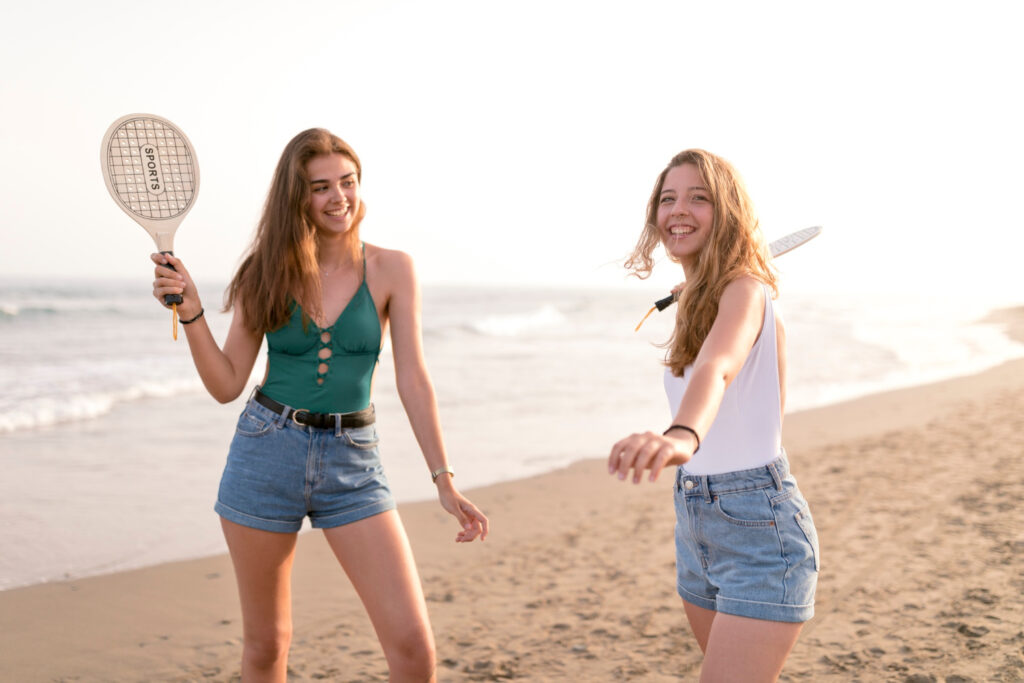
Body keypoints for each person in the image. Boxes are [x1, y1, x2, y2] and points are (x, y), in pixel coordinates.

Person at [151, 128, 489, 682]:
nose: (340, 198)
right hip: (266, 453)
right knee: (266, 647)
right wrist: (190, 313)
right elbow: (227, 382)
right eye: (321, 187)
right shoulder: (265, 270)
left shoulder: (392, 269)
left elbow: (413, 379)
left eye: (348, 182)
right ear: (297, 197)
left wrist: (443, 479)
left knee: (412, 647)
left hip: (353, 462)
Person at [607, 149, 819, 681]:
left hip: (758, 527)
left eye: (699, 198)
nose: (679, 209)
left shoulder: (745, 289)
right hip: (696, 521)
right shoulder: (703, 300)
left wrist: (681, 435)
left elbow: (717, 369)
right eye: (668, 198)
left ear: (727, 212)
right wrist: (700, 291)